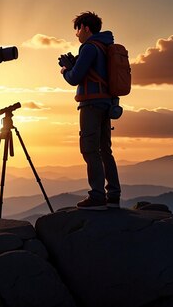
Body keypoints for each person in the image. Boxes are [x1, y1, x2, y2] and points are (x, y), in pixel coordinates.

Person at [60, 11, 121, 210]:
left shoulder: (89, 48)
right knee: (105, 150)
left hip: (91, 104)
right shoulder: (105, 46)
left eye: (77, 30)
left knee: (89, 148)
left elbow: (75, 78)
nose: (76, 35)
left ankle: (97, 196)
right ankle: (113, 195)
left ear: (85, 28)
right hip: (106, 104)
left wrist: (65, 71)